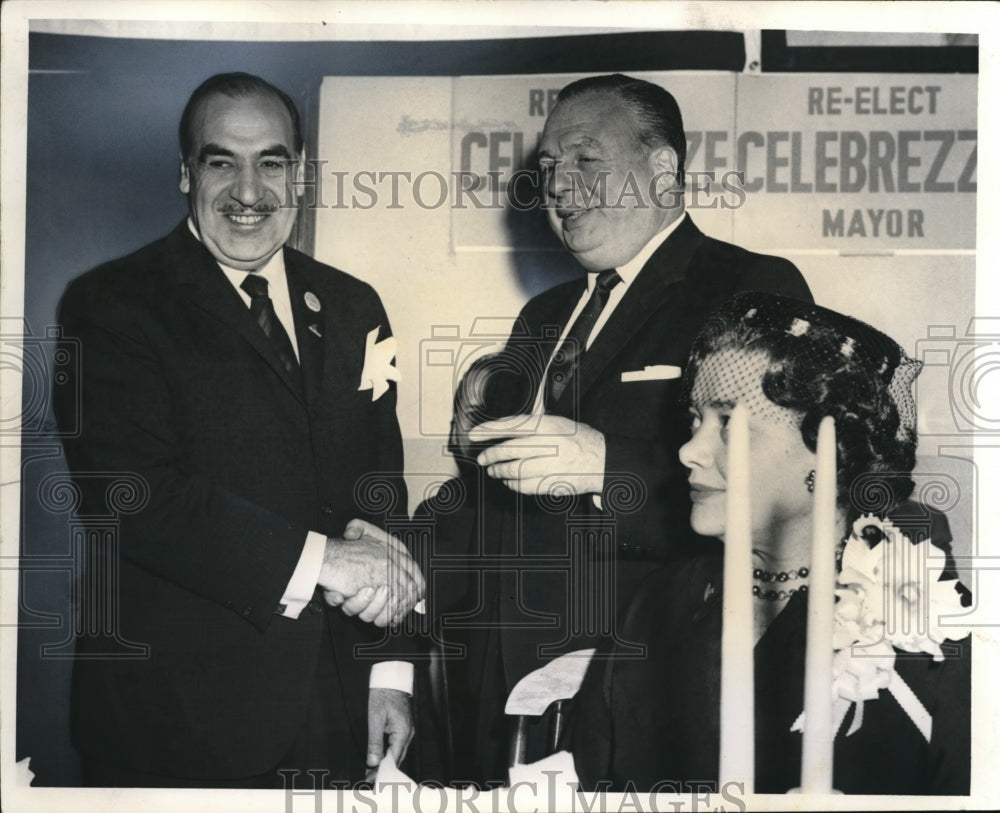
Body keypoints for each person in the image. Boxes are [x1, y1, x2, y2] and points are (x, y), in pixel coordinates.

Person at [428, 73, 813, 782]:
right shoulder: (541, 317)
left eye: (584, 159)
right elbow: (489, 497)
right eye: (548, 169)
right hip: (498, 692)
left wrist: (609, 467)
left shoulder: (746, 288)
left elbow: (779, 504)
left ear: (663, 169)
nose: (559, 186)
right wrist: (389, 564)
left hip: (637, 686)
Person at [53, 72, 424, 788]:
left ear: (302, 174)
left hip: (338, 713)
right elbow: (133, 495)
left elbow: (381, 492)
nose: (249, 192)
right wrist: (326, 562)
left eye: (272, 162)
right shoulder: (111, 305)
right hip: (175, 722)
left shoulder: (353, 306)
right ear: (185, 175)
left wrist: (391, 665)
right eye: (222, 162)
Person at [572, 292, 971, 794]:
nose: (689, 451)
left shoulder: (930, 631)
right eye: (696, 419)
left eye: (730, 427)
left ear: (829, 455)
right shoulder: (656, 603)